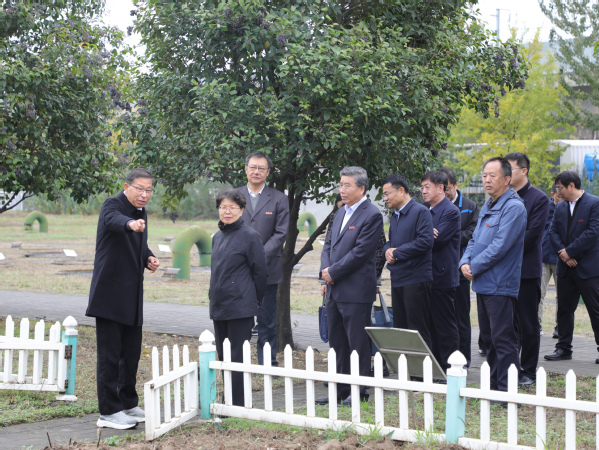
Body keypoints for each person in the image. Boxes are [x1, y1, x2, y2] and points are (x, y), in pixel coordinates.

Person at [86, 168, 160, 429]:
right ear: (126, 186)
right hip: (109, 295)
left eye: (149, 190)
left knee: (131, 353)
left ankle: (128, 403)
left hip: (132, 294)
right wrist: (129, 224)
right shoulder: (112, 205)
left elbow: (137, 244)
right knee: (110, 354)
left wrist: (147, 257)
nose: (144, 194)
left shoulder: (142, 213)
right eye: (139, 188)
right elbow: (113, 221)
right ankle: (108, 412)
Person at [317, 166, 384, 406]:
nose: (341, 190)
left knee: (357, 342)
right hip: (334, 288)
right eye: (340, 184)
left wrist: (333, 272)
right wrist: (325, 273)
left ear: (361, 188)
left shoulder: (372, 214)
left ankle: (359, 391)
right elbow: (327, 245)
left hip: (355, 290)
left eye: (347, 185)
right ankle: (339, 390)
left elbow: (361, 253)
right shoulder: (339, 213)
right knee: (337, 342)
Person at [459, 157, 526, 394]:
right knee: (488, 339)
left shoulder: (514, 207)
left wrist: (473, 266)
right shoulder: (488, 204)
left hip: (500, 283)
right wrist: (464, 262)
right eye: (485, 175)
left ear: (507, 179)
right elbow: (475, 239)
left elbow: (500, 246)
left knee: (503, 339)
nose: (487, 180)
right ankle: (495, 386)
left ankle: (507, 390)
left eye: (493, 175)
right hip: (483, 283)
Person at [210, 189, 268, 406]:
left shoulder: (250, 236)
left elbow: (260, 272)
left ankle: (239, 403)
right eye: (223, 207)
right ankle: (228, 400)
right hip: (219, 305)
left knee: (237, 356)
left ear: (242, 210)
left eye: (232, 208)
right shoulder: (217, 237)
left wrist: (255, 299)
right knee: (224, 357)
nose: (227, 211)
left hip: (241, 306)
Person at [238, 152, 289, 367]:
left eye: (261, 168)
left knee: (266, 320)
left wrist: (258, 256)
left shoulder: (278, 198)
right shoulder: (235, 195)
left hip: (268, 270)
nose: (256, 171)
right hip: (238, 269)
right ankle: (238, 362)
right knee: (239, 318)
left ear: (268, 171)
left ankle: (267, 363)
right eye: (252, 167)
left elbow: (280, 234)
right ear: (246, 169)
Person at [545, 171, 599, 363]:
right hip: (566, 267)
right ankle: (563, 348)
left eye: (560, 187)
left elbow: (593, 233)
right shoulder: (560, 207)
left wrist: (571, 252)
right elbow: (552, 232)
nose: (557, 191)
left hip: (588, 268)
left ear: (572, 186)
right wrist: (563, 254)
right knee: (564, 310)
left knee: (595, 310)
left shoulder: (594, 203)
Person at [505, 152, 549, 386]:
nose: (505, 173)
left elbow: (531, 237)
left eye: (509, 168)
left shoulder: (538, 199)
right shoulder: (501, 198)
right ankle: (510, 367)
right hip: (504, 273)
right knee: (507, 324)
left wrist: (501, 247)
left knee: (528, 323)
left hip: (526, 271)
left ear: (524, 171)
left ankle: (529, 371)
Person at [382, 174, 434, 351]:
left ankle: (424, 374)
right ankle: (407, 372)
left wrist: (397, 252)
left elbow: (425, 241)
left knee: (417, 329)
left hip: (416, 279)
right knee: (401, 327)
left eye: (387, 193)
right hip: (398, 278)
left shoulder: (420, 212)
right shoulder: (395, 215)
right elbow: (391, 242)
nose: (385, 198)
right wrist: (387, 250)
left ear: (401, 190)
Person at [439, 167, 479, 367]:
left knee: (461, 316)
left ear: (455, 186)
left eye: (446, 187)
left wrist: (448, 236)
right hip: (439, 270)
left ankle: (464, 359)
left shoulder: (470, 206)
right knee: (442, 316)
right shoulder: (432, 206)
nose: (443, 192)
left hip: (460, 269)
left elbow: (473, 233)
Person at [421, 170, 460, 372]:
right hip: (426, 276)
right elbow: (422, 237)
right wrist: (425, 234)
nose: (424, 191)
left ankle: (450, 366)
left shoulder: (450, 212)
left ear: (441, 188)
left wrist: (424, 235)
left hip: (443, 276)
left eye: (427, 187)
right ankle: (435, 366)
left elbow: (435, 240)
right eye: (422, 188)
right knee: (429, 324)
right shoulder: (423, 210)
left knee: (445, 325)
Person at [540, 183, 562, 339]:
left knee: (561, 296)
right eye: (559, 196)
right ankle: (536, 325)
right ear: (553, 195)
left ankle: (560, 327)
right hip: (541, 257)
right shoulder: (544, 208)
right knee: (538, 294)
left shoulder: (569, 209)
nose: (562, 199)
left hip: (561, 258)